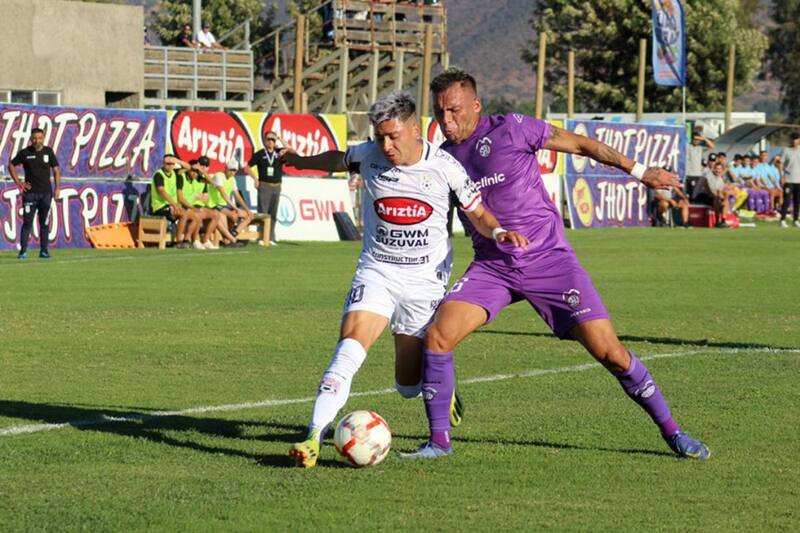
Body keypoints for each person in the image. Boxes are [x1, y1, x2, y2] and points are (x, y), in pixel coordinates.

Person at [401, 68, 710, 461]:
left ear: (475, 105)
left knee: (610, 352)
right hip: (493, 267)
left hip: (550, 262)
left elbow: (582, 146)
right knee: (438, 336)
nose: (446, 121)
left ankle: (674, 432)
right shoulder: (441, 160)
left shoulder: (514, 128)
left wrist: (640, 172)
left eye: (455, 110)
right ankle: (438, 442)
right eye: (439, 112)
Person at [280, 91, 526, 468]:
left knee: (408, 387)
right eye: (380, 137)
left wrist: (498, 233)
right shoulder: (370, 155)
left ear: (414, 129)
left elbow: (477, 212)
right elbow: (341, 159)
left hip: (424, 282)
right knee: (349, 348)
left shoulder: (444, 167)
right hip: (377, 270)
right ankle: (313, 435)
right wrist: (298, 160)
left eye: (394, 136)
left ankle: (442, 382)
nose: (386, 145)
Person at [8, 128, 60, 259]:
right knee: (27, 222)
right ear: (31, 139)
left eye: (40, 138)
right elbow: (11, 165)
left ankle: (44, 251)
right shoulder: (25, 153)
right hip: (30, 194)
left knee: (45, 223)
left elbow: (56, 171)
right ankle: (23, 251)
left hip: (46, 194)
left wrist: (57, 188)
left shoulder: (48, 152)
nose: (37, 141)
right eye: (35, 138)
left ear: (43, 138)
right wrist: (19, 182)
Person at [245, 133, 283, 245]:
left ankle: (270, 237)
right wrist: (255, 179)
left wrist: (280, 138)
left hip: (276, 186)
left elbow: (292, 151)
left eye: (273, 139)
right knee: (263, 213)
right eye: (269, 139)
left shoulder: (279, 153)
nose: (271, 141)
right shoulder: (260, 154)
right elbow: (246, 167)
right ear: (265, 141)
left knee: (273, 213)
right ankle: (262, 237)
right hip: (265, 185)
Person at [150, 154, 197, 245]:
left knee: (195, 217)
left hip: (171, 205)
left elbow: (188, 167)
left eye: (170, 163)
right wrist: (175, 205)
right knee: (183, 214)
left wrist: (177, 161)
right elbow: (162, 192)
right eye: (166, 163)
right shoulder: (159, 174)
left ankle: (187, 240)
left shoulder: (175, 173)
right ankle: (179, 241)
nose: (168, 165)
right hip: (160, 206)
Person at [211, 160, 253, 238]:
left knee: (249, 216)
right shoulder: (218, 176)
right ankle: (229, 238)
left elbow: (238, 196)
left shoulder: (232, 179)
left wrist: (247, 209)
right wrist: (236, 208)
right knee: (234, 215)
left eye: (234, 170)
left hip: (225, 206)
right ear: (226, 168)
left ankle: (234, 234)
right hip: (215, 205)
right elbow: (223, 194)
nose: (232, 172)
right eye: (231, 170)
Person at [780, 132, 800, 228]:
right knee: (787, 201)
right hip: (788, 180)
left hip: (798, 180)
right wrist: (782, 177)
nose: (794, 141)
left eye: (796, 138)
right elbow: (781, 164)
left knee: (797, 201)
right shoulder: (786, 150)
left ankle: (795, 220)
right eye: (792, 138)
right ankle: (782, 220)